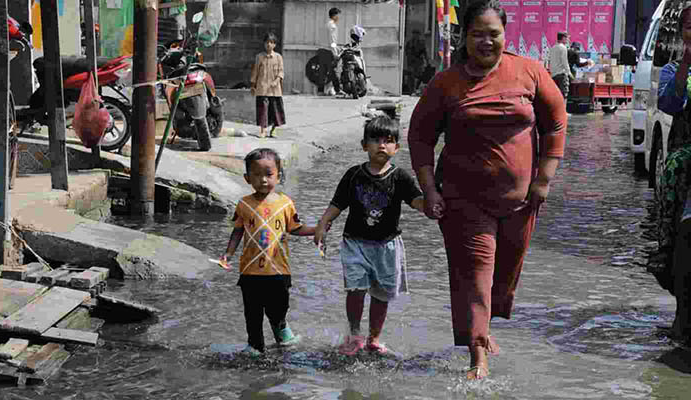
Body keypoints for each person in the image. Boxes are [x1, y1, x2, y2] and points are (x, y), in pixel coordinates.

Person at [408, 0, 566, 380]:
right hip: (465, 202)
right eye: (477, 34)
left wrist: (543, 179)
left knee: (501, 280)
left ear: (505, 34)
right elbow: (419, 137)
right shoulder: (446, 83)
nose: (486, 41)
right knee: (476, 275)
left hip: (522, 201)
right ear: (464, 37)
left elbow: (556, 123)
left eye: (493, 34)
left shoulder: (529, 72)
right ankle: (478, 354)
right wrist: (429, 190)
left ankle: (482, 329)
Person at [314, 115, 426, 356]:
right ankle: (355, 334)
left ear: (397, 147)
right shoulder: (353, 175)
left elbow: (418, 202)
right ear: (364, 145)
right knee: (355, 289)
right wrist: (323, 223)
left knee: (382, 294)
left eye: (388, 141)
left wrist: (434, 203)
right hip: (355, 243)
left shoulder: (401, 177)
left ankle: (374, 338)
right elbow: (337, 204)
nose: (381, 145)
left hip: (387, 246)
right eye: (375, 140)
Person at [220, 148, 316, 356]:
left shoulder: (285, 203)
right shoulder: (244, 204)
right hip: (250, 271)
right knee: (252, 312)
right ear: (247, 178)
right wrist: (228, 255)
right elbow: (237, 231)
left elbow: (296, 228)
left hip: (279, 270)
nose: (263, 180)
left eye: (268, 174)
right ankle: (255, 346)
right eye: (257, 175)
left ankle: (281, 329)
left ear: (279, 176)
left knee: (279, 307)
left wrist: (316, 230)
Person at [655, 1, 691, 340]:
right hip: (684, 172)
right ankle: (681, 318)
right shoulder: (673, 70)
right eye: (690, 26)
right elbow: (668, 104)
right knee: (681, 243)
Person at [250, 32, 286, 138]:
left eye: (271, 42)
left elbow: (281, 71)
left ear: (274, 44)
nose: (268, 45)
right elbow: (255, 71)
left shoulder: (278, 57)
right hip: (262, 88)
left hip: (275, 90)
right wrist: (253, 85)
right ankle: (263, 130)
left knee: (275, 111)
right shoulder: (259, 57)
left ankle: (274, 130)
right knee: (263, 110)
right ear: (264, 44)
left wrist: (277, 80)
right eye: (266, 42)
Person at [548, 31, 573, 100]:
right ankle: (562, 110)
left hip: (553, 74)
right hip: (561, 75)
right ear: (563, 38)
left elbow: (549, 60)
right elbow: (565, 62)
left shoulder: (553, 47)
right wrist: (569, 73)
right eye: (567, 38)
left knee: (555, 95)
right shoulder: (563, 48)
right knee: (563, 95)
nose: (568, 40)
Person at [326, 7, 344, 96]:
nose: (339, 17)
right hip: (329, 51)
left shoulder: (329, 24)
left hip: (328, 49)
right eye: (338, 15)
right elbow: (332, 41)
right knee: (333, 71)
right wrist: (335, 52)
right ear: (334, 15)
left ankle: (330, 89)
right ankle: (336, 89)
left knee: (330, 71)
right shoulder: (332, 25)